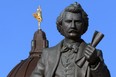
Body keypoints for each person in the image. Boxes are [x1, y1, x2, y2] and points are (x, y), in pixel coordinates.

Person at [30, 2, 110, 77]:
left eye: (77, 22)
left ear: (84, 25)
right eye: (68, 21)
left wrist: (94, 62)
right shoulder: (48, 54)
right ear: (61, 25)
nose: (72, 26)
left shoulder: (95, 54)